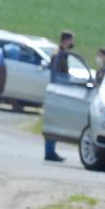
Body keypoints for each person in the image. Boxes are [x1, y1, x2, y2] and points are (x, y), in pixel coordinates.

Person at [44, 30, 74, 162]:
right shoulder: (59, 55)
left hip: (57, 90)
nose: (72, 43)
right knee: (53, 120)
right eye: (71, 40)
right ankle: (49, 151)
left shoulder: (61, 54)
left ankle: (50, 150)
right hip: (57, 91)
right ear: (66, 40)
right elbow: (56, 74)